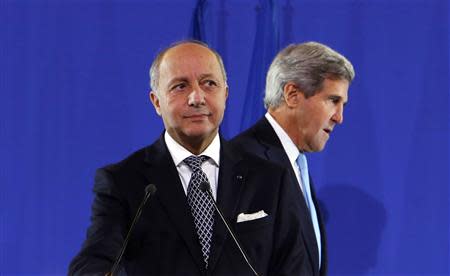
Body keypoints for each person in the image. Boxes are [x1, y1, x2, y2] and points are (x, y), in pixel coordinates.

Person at [69, 41, 306, 275]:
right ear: (156, 101)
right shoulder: (123, 182)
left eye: (209, 84)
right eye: (180, 86)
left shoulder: (270, 178)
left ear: (225, 94)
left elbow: (293, 266)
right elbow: (95, 260)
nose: (196, 98)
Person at [231, 41, 355, 276]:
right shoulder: (243, 162)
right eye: (333, 100)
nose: (339, 118)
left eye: (343, 104)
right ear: (292, 95)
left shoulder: (296, 164)